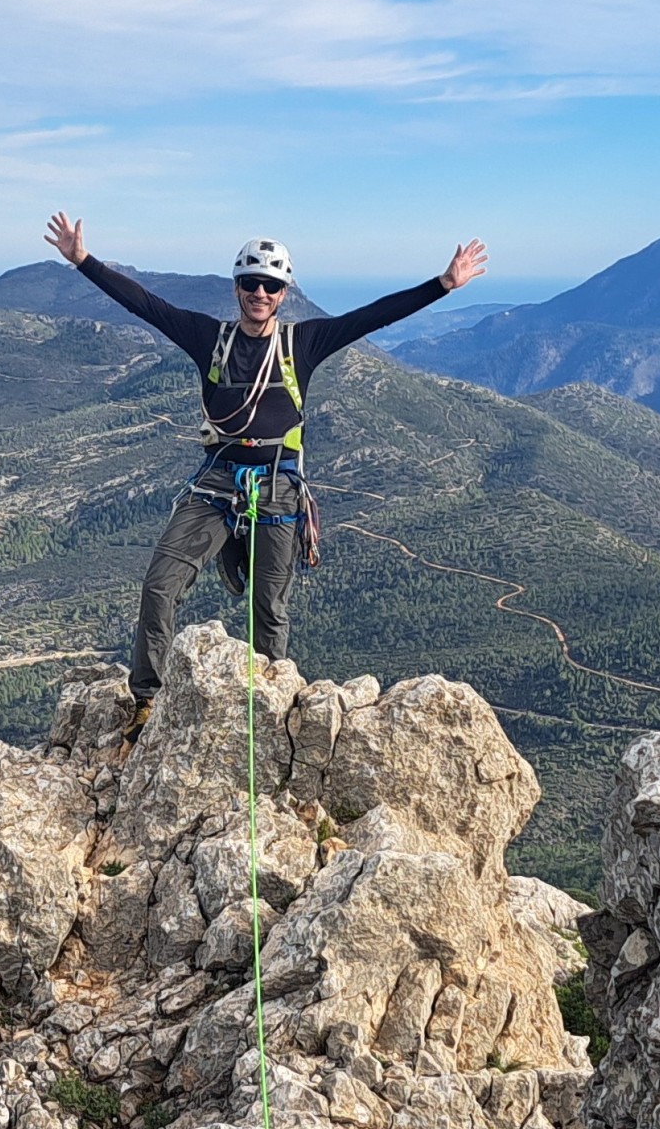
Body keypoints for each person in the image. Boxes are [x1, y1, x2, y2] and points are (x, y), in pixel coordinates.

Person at [42, 212, 488, 739]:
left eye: (270, 284)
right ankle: (147, 700)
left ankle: (269, 706)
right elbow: (145, 304)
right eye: (251, 282)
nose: (260, 291)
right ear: (237, 289)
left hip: (278, 485)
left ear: (283, 292)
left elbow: (374, 316)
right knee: (160, 587)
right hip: (216, 482)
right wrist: (83, 261)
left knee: (269, 608)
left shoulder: (304, 343)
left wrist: (443, 284)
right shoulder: (209, 339)